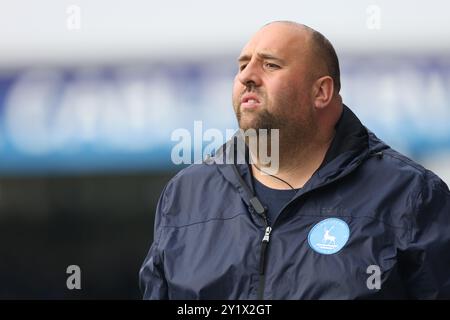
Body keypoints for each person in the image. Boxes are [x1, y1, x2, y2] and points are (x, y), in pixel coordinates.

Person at [139, 21, 450, 299]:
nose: (247, 76)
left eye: (270, 65)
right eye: (243, 65)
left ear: (321, 92)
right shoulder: (186, 194)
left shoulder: (410, 194)